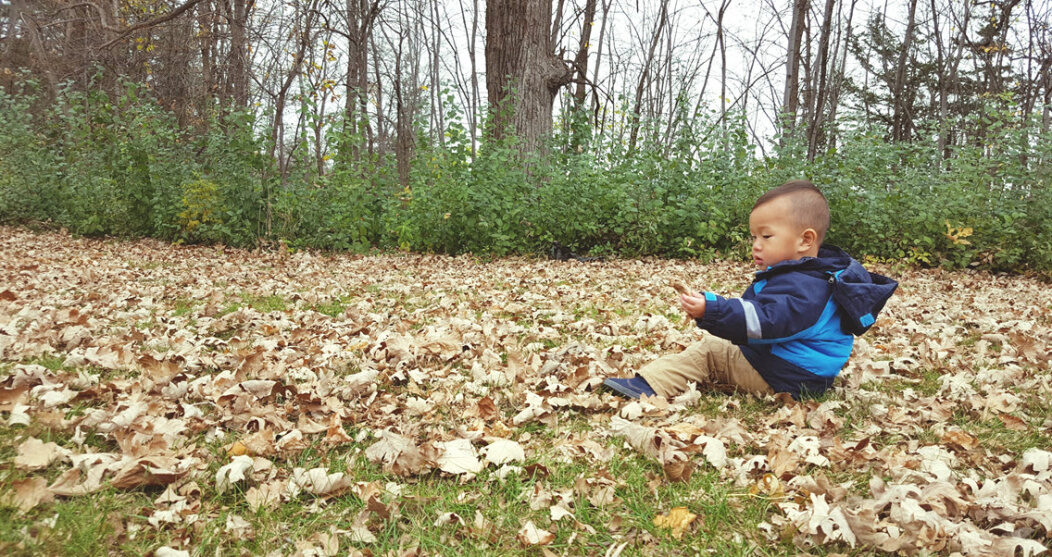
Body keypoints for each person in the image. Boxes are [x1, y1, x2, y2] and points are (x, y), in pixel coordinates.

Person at [603, 180, 898, 400]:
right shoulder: (815, 276)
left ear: (805, 240)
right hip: (799, 373)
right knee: (726, 350)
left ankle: (648, 386)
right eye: (753, 236)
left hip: (784, 376)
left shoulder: (807, 286)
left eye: (766, 236)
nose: (756, 245)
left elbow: (765, 321)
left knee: (710, 351)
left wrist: (713, 309)